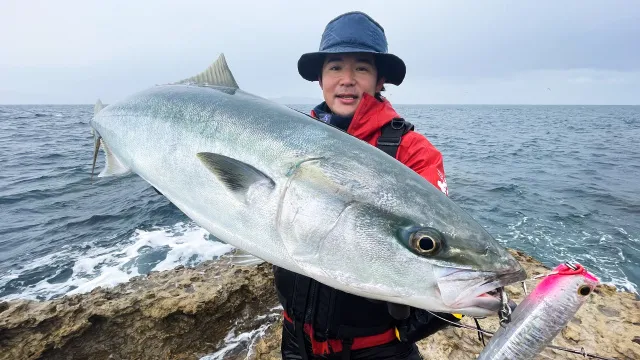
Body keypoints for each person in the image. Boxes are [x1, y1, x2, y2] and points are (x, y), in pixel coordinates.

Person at [273, 11, 461, 360]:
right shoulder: (289, 138)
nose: (347, 80)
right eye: (335, 67)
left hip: (376, 350)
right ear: (320, 78)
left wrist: (424, 321)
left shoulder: (412, 150)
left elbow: (444, 247)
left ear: (379, 80)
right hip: (296, 341)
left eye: (361, 68)